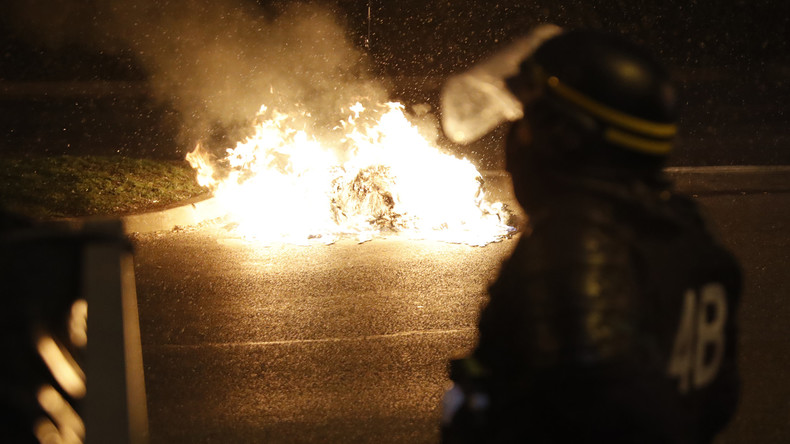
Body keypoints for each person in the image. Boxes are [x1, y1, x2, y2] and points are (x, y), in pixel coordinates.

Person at [441, 30, 741, 443]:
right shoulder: (681, 225)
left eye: (528, 119)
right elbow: (717, 399)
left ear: (563, 138)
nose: (516, 137)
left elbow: (599, 409)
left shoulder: (576, 243)